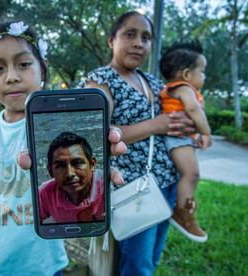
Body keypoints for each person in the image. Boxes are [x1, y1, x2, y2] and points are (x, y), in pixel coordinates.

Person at [0, 20, 126, 275]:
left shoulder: (57, 127)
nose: (12, 76)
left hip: (40, 267)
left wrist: (93, 180)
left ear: (44, 69)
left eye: (24, 64)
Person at [79, 10, 195, 276]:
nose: (138, 43)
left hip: (167, 182)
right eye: (129, 34)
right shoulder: (100, 80)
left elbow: (175, 120)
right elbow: (94, 134)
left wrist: (188, 125)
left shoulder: (153, 83)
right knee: (138, 266)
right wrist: (155, 125)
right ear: (111, 40)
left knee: (151, 260)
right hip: (132, 189)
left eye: (146, 37)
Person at [159, 39, 212, 243]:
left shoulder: (180, 88)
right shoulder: (183, 88)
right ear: (187, 74)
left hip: (180, 139)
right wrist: (206, 132)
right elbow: (192, 110)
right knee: (191, 173)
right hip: (177, 139)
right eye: (202, 71)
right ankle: (182, 212)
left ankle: (183, 209)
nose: (204, 76)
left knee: (190, 174)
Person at [39, 132, 104, 224]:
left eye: (77, 163)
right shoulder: (45, 194)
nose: (69, 174)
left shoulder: (107, 185)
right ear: (50, 172)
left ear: (92, 164)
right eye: (60, 166)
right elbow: (30, 222)